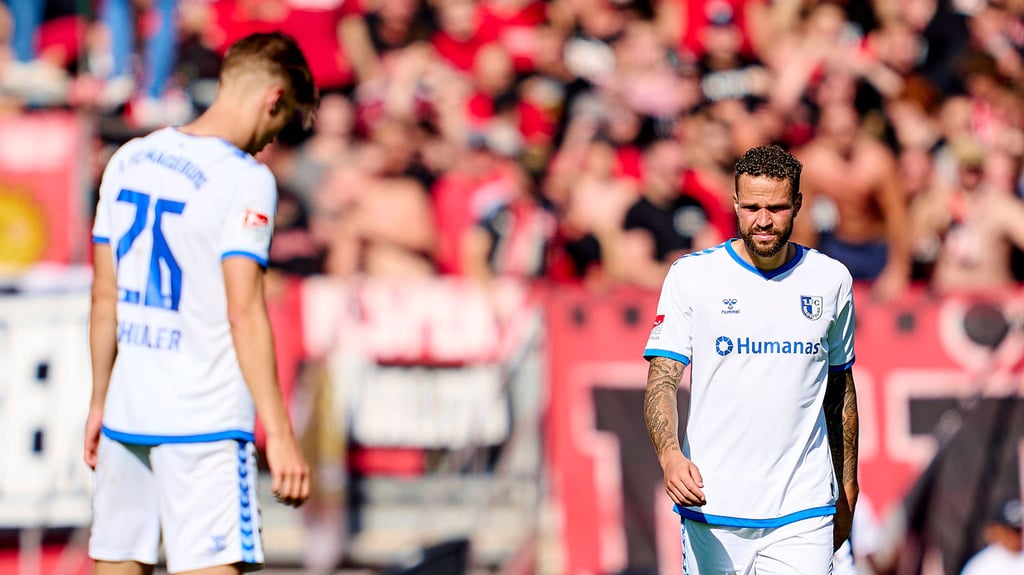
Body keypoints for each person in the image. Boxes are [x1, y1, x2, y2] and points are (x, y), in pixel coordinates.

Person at [84, 32, 317, 575]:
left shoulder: (129, 158)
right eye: (281, 129)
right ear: (274, 98)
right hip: (204, 425)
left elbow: (103, 298)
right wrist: (279, 432)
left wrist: (100, 400)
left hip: (126, 415)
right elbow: (244, 310)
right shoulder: (245, 179)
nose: (269, 144)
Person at [643, 145, 859, 574]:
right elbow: (662, 380)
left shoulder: (831, 280)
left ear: (797, 204)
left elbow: (840, 391)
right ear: (735, 203)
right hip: (713, 502)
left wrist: (848, 484)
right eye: (753, 207)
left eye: (777, 208)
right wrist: (669, 456)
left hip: (804, 506)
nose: (764, 220)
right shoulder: (692, 277)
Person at [794, 101, 911, 301]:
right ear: (824, 131)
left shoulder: (877, 160)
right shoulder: (812, 165)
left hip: (874, 246)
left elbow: (897, 215)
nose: (844, 137)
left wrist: (898, 268)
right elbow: (803, 223)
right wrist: (802, 272)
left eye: (848, 130)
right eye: (837, 131)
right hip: (834, 246)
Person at [960, 498, 1024, 575]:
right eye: (1011, 531)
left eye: (1019, 531)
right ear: (998, 531)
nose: (1016, 536)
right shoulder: (982, 565)